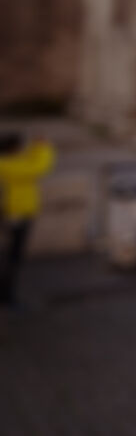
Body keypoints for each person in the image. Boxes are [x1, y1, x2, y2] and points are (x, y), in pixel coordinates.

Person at [0, 130, 55, 305]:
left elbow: (29, 159)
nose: (22, 149)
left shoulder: (10, 162)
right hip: (16, 214)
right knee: (13, 256)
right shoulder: (8, 166)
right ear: (12, 149)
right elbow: (39, 167)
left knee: (12, 254)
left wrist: (35, 146)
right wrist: (44, 147)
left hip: (17, 213)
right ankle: (7, 295)